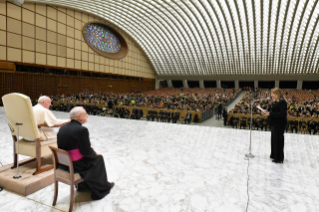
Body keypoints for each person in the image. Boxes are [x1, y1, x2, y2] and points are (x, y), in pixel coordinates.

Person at [57, 107, 114, 200]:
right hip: (75, 165)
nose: (87, 116)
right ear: (79, 116)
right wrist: (95, 154)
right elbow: (86, 152)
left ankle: (84, 184)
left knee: (94, 158)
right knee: (99, 159)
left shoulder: (63, 127)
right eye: (85, 114)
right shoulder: (82, 130)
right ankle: (102, 189)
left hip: (64, 164)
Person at [263, 88, 287, 163]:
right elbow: (271, 110)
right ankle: (274, 154)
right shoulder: (274, 102)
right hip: (274, 123)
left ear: (277, 94)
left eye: (273, 94)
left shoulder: (282, 102)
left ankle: (279, 158)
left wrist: (270, 113)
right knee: (274, 140)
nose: (271, 95)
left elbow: (282, 114)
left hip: (279, 124)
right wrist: (266, 112)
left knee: (278, 140)